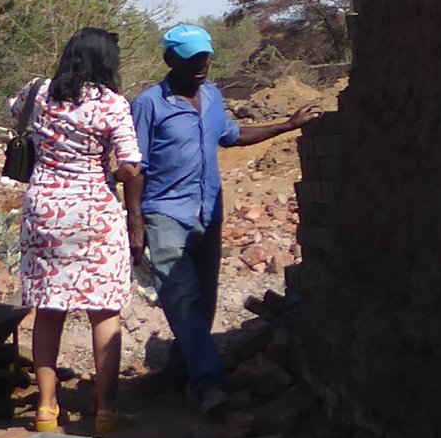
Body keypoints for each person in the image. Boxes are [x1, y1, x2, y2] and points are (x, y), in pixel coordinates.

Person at [130, 24, 316, 413]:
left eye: (206, 58)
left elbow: (231, 135)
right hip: (165, 215)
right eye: (192, 59)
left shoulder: (212, 97)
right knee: (182, 300)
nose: (202, 66)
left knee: (205, 306)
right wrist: (135, 221)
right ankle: (209, 386)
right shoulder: (150, 104)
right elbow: (135, 167)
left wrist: (287, 124)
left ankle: (178, 377)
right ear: (169, 61)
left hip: (208, 211)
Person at [12, 27, 144, 435]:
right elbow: (130, 166)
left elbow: (13, 111)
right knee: (103, 309)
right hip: (93, 213)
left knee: (49, 310)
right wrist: (106, 168)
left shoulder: (38, 92)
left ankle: (46, 409)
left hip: (44, 211)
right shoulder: (112, 104)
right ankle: (105, 410)